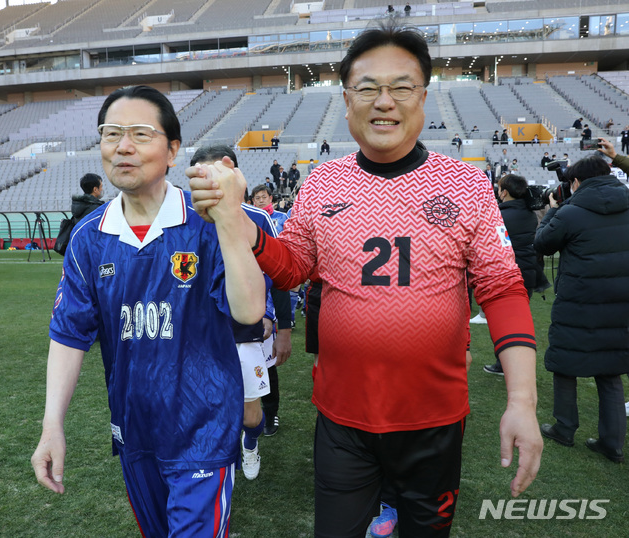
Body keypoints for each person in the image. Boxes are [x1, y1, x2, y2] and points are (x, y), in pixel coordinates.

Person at [189, 23, 542, 537]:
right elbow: (293, 267)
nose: (385, 101)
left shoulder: (465, 183)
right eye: (368, 88)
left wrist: (523, 402)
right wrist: (240, 223)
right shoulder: (324, 181)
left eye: (401, 87)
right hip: (343, 418)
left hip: (434, 419)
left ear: (423, 97)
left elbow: (503, 290)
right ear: (347, 100)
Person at [30, 86, 266, 537]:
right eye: (111, 133)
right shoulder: (88, 238)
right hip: (134, 429)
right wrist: (51, 425)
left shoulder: (205, 223)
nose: (123, 146)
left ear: (173, 150)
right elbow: (69, 335)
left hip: (204, 427)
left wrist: (230, 223)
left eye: (141, 134)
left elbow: (250, 310)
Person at [190, 144, 291, 481]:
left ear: (231, 171)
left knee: (250, 414)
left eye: (213, 174)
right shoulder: (185, 221)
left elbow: (279, 274)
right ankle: (222, 455)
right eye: (199, 177)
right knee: (210, 407)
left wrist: (280, 324)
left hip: (247, 328)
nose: (207, 184)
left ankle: (250, 445)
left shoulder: (259, 218)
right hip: (202, 332)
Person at [534, 155, 629, 464]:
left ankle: (564, 428)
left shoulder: (571, 212)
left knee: (565, 363)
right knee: (610, 371)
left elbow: (542, 243)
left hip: (578, 299)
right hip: (619, 301)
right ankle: (612, 443)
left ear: (576, 182)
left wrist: (552, 211)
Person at [483, 174, 540, 375]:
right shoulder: (530, 213)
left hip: (507, 273)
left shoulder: (498, 214)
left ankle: (504, 365)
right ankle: (509, 365)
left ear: (504, 192)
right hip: (528, 271)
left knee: (505, 323)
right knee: (518, 320)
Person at [249, 184, 292, 437]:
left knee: (266, 366)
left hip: (259, 310)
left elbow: (275, 273)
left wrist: (270, 315)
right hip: (222, 315)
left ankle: (270, 412)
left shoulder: (262, 221)